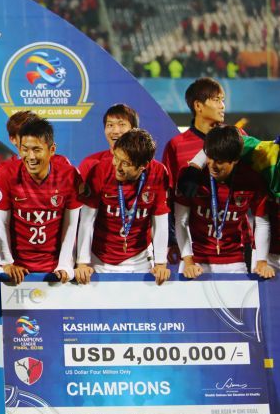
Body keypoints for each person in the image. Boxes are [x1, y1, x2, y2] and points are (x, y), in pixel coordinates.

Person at [175, 126, 274, 278]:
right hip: (195, 261)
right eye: (210, 157)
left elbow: (262, 222)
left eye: (220, 161)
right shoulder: (191, 177)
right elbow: (181, 221)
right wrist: (188, 261)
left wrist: (261, 262)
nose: (212, 165)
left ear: (235, 160)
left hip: (234, 261)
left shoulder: (252, 179)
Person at [0, 117, 81, 284]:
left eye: (37, 150)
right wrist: (7, 263)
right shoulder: (5, 174)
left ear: (52, 149)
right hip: (16, 269)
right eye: (25, 149)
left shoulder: (69, 175)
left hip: (55, 269)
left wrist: (64, 264)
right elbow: (1, 223)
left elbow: (70, 225)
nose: (30, 156)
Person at [76, 129, 170, 285]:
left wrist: (161, 263)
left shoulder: (159, 173)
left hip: (139, 259)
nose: (117, 167)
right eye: (116, 157)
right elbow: (87, 221)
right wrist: (82, 263)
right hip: (99, 259)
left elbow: (160, 221)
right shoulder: (100, 169)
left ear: (144, 165)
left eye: (125, 163)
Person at [162, 77, 229, 265]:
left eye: (222, 100)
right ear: (198, 106)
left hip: (233, 243)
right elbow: (168, 196)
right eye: (216, 100)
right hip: (192, 246)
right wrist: (172, 240)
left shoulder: (236, 137)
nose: (222, 106)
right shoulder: (176, 146)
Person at [78, 104, 139, 180]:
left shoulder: (146, 164)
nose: (115, 131)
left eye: (122, 124)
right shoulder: (90, 164)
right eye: (110, 125)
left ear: (134, 130)